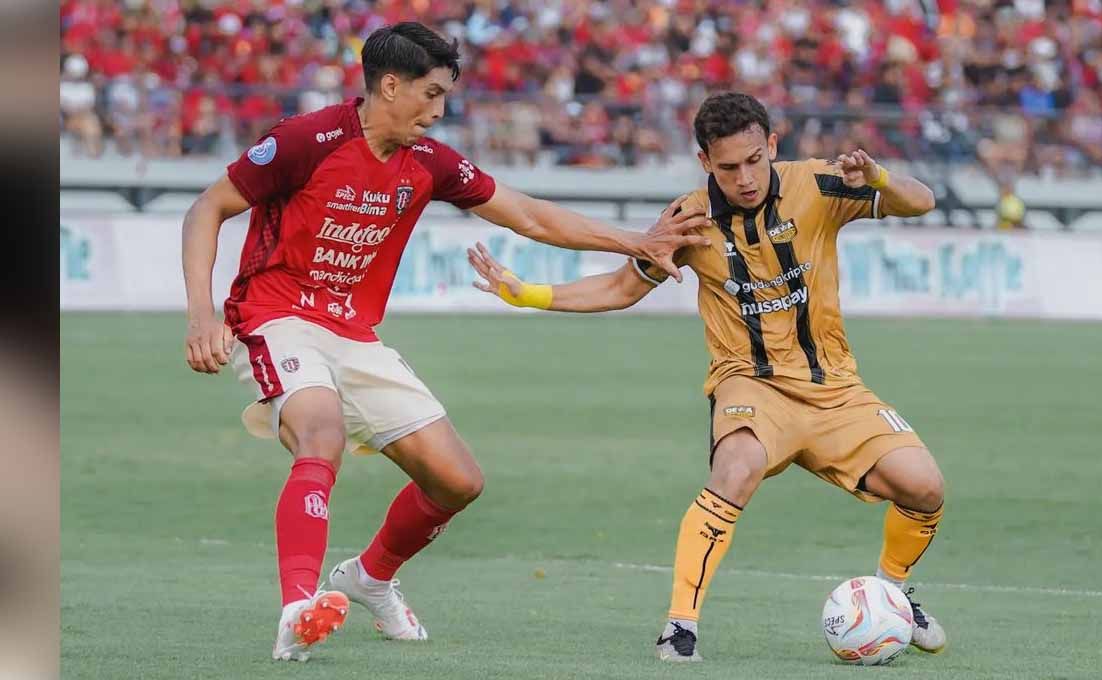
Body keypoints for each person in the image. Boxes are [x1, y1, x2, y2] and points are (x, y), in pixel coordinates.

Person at [180, 22, 708, 663]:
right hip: (275, 316)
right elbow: (207, 207)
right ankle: (297, 608)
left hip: (353, 333)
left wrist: (636, 241)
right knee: (320, 435)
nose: (438, 110)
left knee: (458, 482)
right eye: (430, 94)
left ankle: (370, 578)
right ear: (390, 84)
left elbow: (530, 214)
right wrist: (202, 316)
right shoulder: (306, 140)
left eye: (444, 97)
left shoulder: (429, 163)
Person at [468, 92, 947, 662]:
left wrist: (880, 177)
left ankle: (891, 593)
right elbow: (621, 288)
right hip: (749, 383)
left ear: (772, 145)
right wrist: (530, 295)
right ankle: (679, 628)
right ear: (705, 163)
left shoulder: (821, 184)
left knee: (925, 487)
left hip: (833, 387)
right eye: (727, 167)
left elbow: (922, 202)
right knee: (735, 469)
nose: (744, 178)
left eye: (753, 160)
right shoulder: (689, 219)